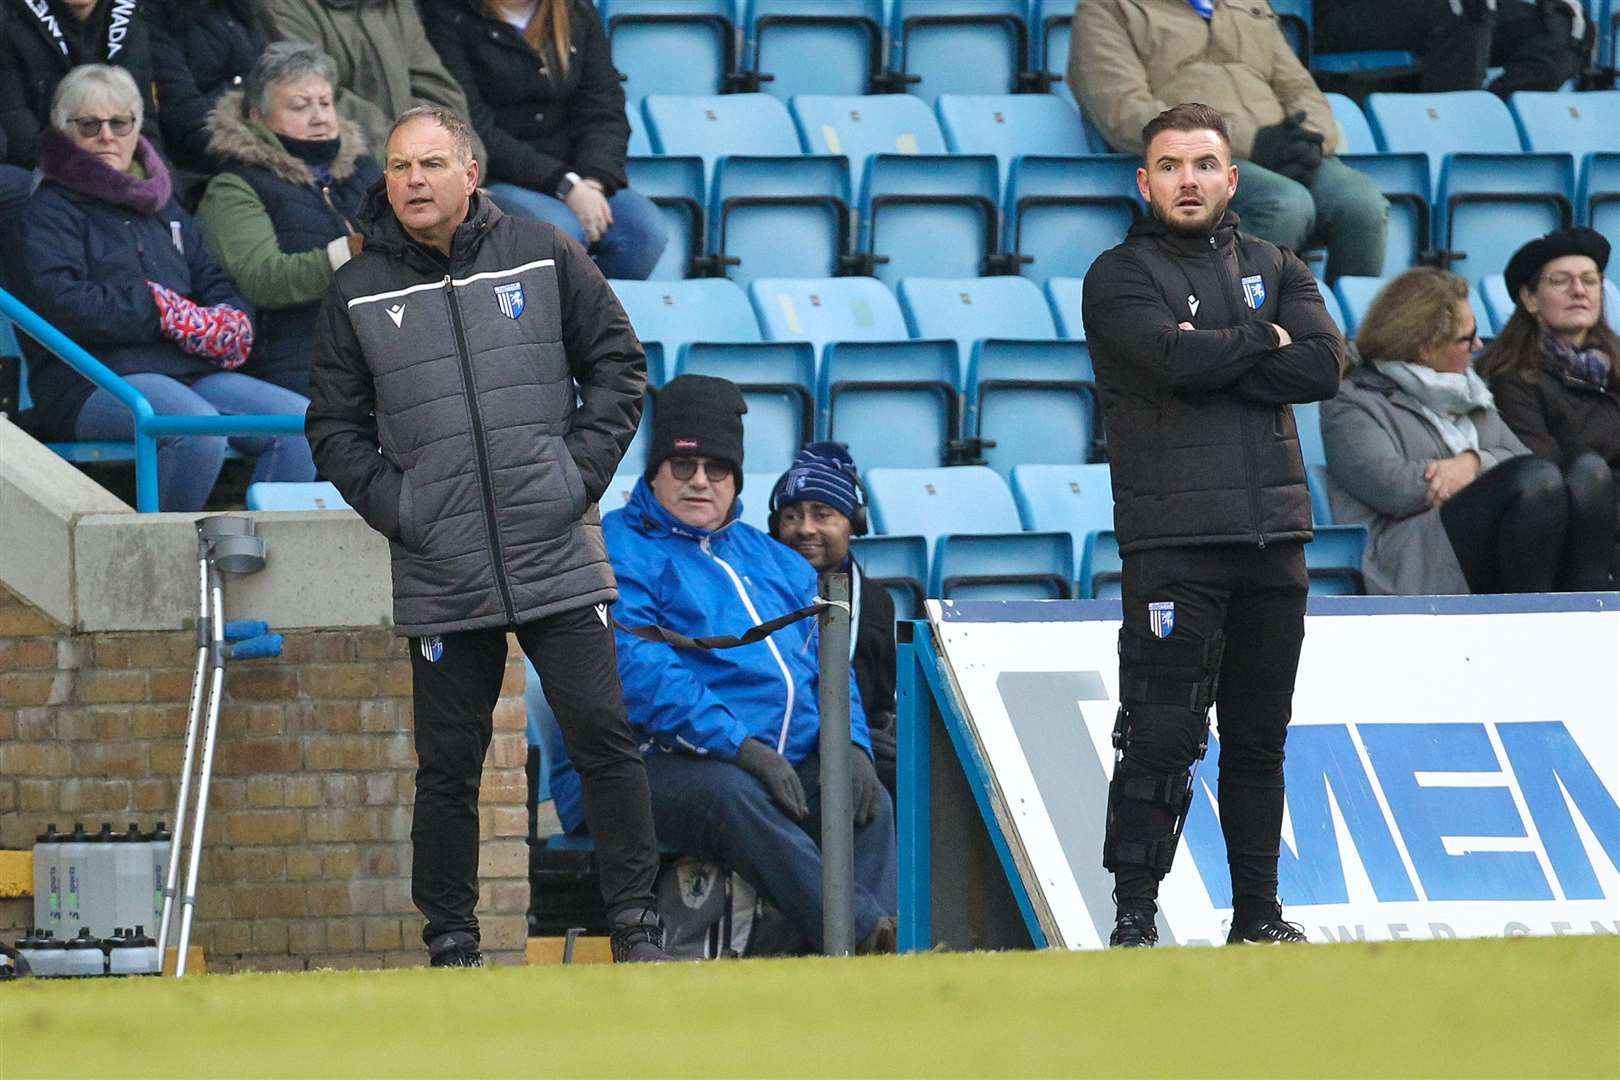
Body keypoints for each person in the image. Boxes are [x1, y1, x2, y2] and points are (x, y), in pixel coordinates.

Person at [305, 104, 669, 966]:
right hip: (443, 565)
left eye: (431, 164)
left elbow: (619, 364)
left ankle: (639, 928)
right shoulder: (356, 291)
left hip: (555, 549)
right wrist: (406, 510)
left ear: (472, 173)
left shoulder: (543, 251)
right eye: (398, 168)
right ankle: (453, 940)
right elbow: (334, 429)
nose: (414, 182)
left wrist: (575, 476)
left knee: (603, 737)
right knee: (448, 768)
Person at [1081, 102, 1344, 948]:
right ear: (1143, 180)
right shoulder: (1116, 276)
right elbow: (1167, 357)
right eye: (1169, 165)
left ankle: (1258, 918)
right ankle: (1132, 920)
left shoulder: (1278, 260)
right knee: (1161, 734)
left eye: (1202, 165)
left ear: (1232, 180)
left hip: (1275, 540)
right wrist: (1259, 342)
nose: (1186, 180)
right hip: (1175, 547)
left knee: (1260, 742)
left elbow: (1323, 364)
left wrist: (1219, 351)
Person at [549, 375, 898, 957]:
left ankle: (847, 954)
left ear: (736, 478)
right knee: (730, 796)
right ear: (655, 472)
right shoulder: (616, 548)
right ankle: (868, 943)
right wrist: (741, 746)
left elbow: (827, 661)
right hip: (640, 766)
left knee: (863, 798)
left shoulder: (774, 559)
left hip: (765, 762)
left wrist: (853, 743)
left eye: (717, 469)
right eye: (683, 468)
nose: (700, 482)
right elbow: (639, 672)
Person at [17, 64, 315, 512]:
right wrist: (158, 309)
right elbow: (62, 302)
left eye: (119, 123)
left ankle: (275, 567)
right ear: (65, 132)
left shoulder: (164, 207)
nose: (106, 136)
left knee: (304, 426)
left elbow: (215, 281)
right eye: (89, 125)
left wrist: (227, 319)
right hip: (90, 377)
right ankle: (160, 570)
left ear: (137, 128)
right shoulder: (48, 208)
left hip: (189, 371)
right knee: (192, 431)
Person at [1323, 267, 1613, 595]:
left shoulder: (1467, 391)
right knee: (1536, 483)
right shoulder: (1352, 402)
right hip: (1411, 557)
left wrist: (1472, 464)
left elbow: (1520, 456)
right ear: (1424, 348)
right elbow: (1396, 488)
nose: (1478, 345)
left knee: (1587, 470)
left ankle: (1590, 610)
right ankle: (1533, 618)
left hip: (1478, 538)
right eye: (1466, 337)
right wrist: (1477, 475)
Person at [1070, 0, 1388, 281]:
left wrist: (1311, 139)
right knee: (1284, 204)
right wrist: (1248, 142)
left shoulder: (1248, 3)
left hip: (1283, 149)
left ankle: (1348, 341)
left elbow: (1300, 87)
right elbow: (1125, 112)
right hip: (1194, 160)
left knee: (1362, 204)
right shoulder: (1106, 8)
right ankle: (1235, 327)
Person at [423, 0, 666, 280]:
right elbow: (470, 127)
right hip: (499, 174)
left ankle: (594, 318)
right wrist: (564, 184)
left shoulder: (576, 10)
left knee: (644, 232)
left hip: (577, 173)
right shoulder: (449, 14)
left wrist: (593, 181)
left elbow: (604, 110)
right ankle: (554, 320)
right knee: (558, 235)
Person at [196, 42, 382, 396]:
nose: (320, 117)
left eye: (325, 103)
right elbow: (260, 277)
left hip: (386, 353)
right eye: (300, 106)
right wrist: (349, 254)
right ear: (256, 116)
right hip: (296, 363)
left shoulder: (366, 170)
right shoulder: (235, 186)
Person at [1479, 228, 1619, 579]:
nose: (1579, 291)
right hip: (1567, 541)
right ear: (1529, 298)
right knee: (1587, 472)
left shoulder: (1616, 364)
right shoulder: (1510, 375)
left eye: (1590, 280)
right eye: (1561, 280)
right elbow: (1546, 471)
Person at [767, 441, 898, 797]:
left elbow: (883, 703)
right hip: (779, 748)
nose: (805, 529)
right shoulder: (755, 584)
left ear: (852, 523)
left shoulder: (876, 602)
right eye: (791, 515)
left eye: (822, 514)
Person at [259, 0, 487, 169]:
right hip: (352, 178)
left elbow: (435, 87)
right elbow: (320, 98)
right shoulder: (283, 7)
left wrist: (462, 159)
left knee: (510, 223)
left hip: (425, 173)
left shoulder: (396, 5)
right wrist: (416, 165)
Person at [1, 0, 165, 173]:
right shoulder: (10, 21)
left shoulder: (132, 18)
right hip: (45, 178)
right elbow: (21, 138)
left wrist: (161, 185)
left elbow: (145, 127)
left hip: (123, 175)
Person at [1312, 0, 1587, 98]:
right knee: (1464, 6)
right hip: (1346, 12)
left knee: (1566, 23)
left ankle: (1491, 111)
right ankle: (1454, 133)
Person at [145, 0, 269, 174]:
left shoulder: (236, 8)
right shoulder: (151, 14)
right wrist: (257, 152)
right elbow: (181, 108)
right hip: (207, 157)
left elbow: (270, 74)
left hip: (261, 134)